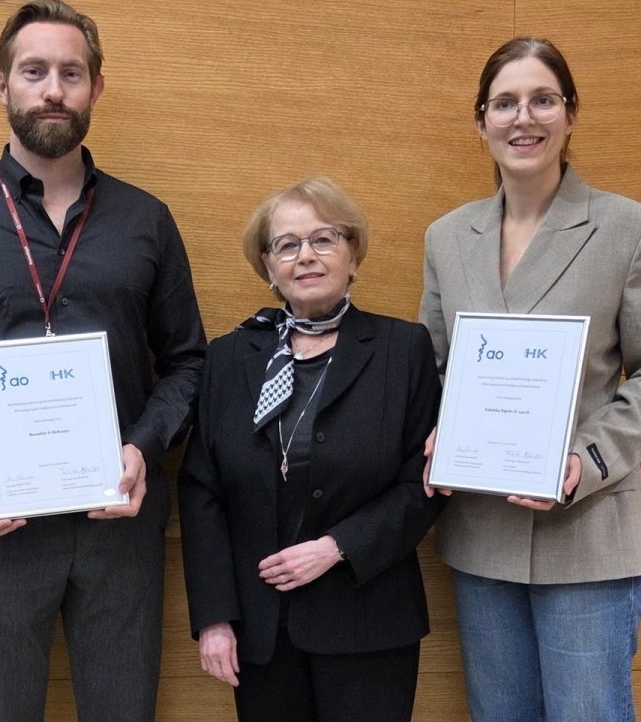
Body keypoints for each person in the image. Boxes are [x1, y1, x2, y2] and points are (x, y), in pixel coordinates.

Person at [0, 0, 206, 722]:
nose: (53, 90)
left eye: (71, 74)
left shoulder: (146, 219)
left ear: (96, 87)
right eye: (33, 71)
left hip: (120, 524)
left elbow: (188, 364)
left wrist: (143, 447)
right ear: (0, 84)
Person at [420, 37, 641, 720]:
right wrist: (439, 431)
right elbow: (436, 367)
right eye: (505, 103)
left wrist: (582, 460)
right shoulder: (447, 237)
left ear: (571, 114)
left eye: (542, 100)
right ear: (480, 121)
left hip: (589, 534)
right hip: (483, 532)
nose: (524, 118)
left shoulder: (631, 231)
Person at [179, 177, 445, 722]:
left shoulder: (403, 349)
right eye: (287, 245)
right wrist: (214, 617)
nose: (306, 256)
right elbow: (201, 490)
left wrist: (336, 547)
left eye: (324, 239)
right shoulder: (229, 357)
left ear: (353, 254)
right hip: (261, 632)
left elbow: (423, 483)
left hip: (369, 620)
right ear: (268, 266)